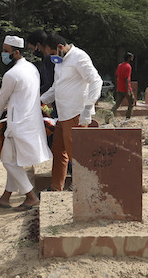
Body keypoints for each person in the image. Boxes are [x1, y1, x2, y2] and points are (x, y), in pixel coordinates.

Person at [0, 35, 52, 211]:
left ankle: (30, 196)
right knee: (13, 160)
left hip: (18, 125)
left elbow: (0, 101)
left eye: (6, 51)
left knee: (7, 161)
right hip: (29, 121)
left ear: (15, 52)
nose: (3, 54)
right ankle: (5, 198)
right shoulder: (31, 68)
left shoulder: (12, 74)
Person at [40, 33, 102, 192]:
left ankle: (88, 188)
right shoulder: (61, 62)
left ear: (60, 48)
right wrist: (41, 100)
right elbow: (56, 86)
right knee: (59, 152)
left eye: (52, 53)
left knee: (77, 155)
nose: (52, 57)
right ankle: (56, 189)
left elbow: (96, 81)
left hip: (76, 115)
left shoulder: (79, 57)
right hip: (63, 115)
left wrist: (88, 109)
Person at [110, 52, 135, 119]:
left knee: (117, 104)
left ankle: (109, 115)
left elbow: (115, 76)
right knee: (131, 102)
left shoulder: (120, 65)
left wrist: (117, 84)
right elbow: (126, 79)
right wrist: (128, 90)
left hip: (119, 88)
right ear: (129, 58)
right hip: (126, 88)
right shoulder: (128, 67)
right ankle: (128, 117)